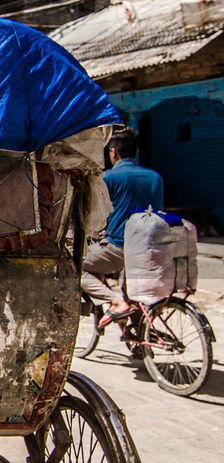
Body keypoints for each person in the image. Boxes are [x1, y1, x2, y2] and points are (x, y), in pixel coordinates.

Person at [81, 127, 164, 325]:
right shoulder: (155, 177)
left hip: (121, 248)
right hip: (151, 248)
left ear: (113, 153)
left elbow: (94, 212)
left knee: (75, 267)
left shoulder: (109, 178)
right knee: (133, 294)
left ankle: (114, 301)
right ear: (135, 151)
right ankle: (137, 343)